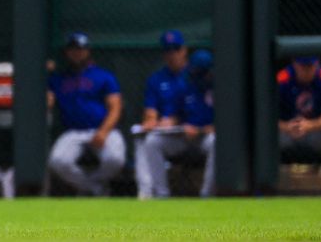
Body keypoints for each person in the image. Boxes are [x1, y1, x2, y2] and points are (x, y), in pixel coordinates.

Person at [46, 32, 125, 196]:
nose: (77, 53)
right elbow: (48, 103)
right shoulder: (58, 79)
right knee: (58, 161)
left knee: (115, 159)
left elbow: (115, 108)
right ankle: (92, 188)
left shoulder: (103, 76)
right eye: (73, 49)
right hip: (73, 131)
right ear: (67, 52)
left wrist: (103, 132)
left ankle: (93, 185)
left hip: (102, 129)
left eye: (80, 49)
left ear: (87, 51)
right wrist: (45, 73)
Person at [144, 49, 216, 198]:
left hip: (206, 138)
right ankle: (161, 194)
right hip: (184, 136)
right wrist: (169, 121)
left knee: (216, 142)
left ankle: (207, 194)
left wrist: (204, 129)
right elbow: (176, 114)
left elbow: (229, 121)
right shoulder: (186, 84)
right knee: (152, 142)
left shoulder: (221, 88)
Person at [133, 29, 190, 199]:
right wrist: (151, 121)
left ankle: (209, 194)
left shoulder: (195, 75)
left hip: (194, 132)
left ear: (184, 50)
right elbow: (150, 111)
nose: (173, 54)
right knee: (147, 140)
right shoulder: (157, 78)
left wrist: (176, 119)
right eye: (168, 50)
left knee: (213, 141)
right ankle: (154, 194)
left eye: (176, 49)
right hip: (170, 136)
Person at [278, 56, 321, 166]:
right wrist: (286, 126)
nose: (306, 71)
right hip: (287, 132)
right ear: (294, 64)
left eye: (310, 66)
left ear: (317, 64)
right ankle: (266, 180)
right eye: (302, 66)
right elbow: (265, 116)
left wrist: (310, 125)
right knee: (264, 135)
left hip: (316, 133)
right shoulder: (282, 78)